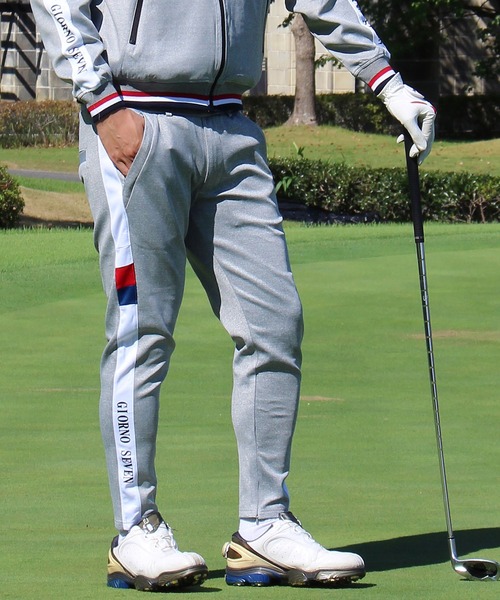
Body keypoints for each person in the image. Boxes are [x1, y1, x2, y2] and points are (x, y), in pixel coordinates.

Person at [30, 0, 436, 591]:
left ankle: (264, 525)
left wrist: (386, 81)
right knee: (142, 331)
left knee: (275, 325)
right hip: (135, 117)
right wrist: (103, 106)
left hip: (231, 131)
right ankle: (136, 530)